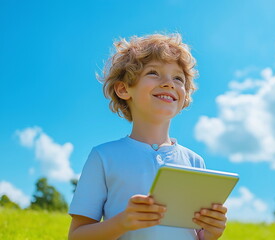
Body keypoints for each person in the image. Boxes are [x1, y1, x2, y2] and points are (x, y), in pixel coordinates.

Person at [68, 33, 227, 240]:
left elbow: (197, 235)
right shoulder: (103, 157)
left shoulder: (195, 161)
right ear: (124, 89)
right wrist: (122, 222)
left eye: (178, 78)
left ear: (185, 95)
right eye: (154, 73)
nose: (169, 83)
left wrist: (212, 232)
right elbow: (77, 235)